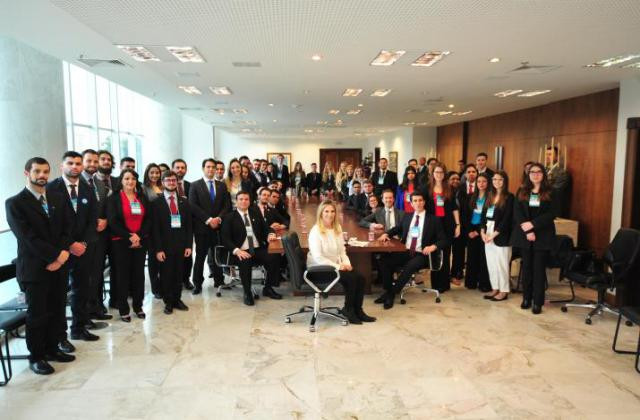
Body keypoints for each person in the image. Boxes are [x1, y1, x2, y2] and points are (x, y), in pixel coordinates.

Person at [6, 157, 75, 375]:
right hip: (35, 268)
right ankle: (36, 357)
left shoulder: (57, 197)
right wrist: (55, 256)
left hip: (60, 264)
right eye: (37, 171)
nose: (42, 175)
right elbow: (28, 238)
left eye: (45, 171)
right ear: (27, 173)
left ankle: (53, 348)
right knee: (37, 315)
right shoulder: (15, 203)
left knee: (56, 310)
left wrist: (62, 255)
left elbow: (68, 227)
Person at [46, 151, 99, 343]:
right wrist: (69, 244)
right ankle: (60, 337)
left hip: (83, 250)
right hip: (60, 251)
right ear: (62, 166)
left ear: (82, 167)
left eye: (78, 163)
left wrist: (83, 243)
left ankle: (79, 328)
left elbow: (92, 219)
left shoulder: (87, 188)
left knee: (81, 290)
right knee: (59, 295)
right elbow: (50, 224)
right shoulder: (51, 188)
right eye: (70, 163)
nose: (74, 166)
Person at [307, 200, 376, 323]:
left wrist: (347, 264)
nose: (330, 214)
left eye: (332, 211)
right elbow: (318, 258)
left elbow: (342, 251)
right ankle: (348, 310)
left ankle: (358, 310)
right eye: (326, 211)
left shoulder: (337, 228)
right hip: (320, 269)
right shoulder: (316, 231)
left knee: (360, 278)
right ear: (321, 213)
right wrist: (338, 266)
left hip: (335, 266)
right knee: (351, 279)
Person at [377, 192, 449, 309]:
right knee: (384, 260)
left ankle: (391, 294)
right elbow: (397, 229)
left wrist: (433, 247)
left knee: (410, 266)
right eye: (415, 201)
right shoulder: (407, 216)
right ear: (411, 203)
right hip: (406, 251)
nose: (418, 203)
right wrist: (386, 234)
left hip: (422, 254)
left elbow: (444, 240)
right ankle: (388, 290)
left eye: (420, 200)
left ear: (424, 202)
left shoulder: (434, 219)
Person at [221, 191, 282, 305]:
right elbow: (225, 239)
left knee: (274, 256)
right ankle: (247, 292)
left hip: (257, 249)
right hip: (240, 251)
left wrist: (270, 234)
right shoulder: (229, 217)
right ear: (236, 201)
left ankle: (268, 288)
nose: (244, 201)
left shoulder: (255, 213)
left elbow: (266, 228)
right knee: (245, 260)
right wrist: (237, 250)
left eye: (246, 199)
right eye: (241, 199)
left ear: (250, 201)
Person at [512, 163, 557, 315]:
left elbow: (552, 213)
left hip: (542, 236)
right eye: (532, 172)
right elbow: (517, 211)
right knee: (526, 269)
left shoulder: (551, 191)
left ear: (543, 174)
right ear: (528, 174)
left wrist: (533, 225)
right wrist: (527, 229)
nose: (535, 174)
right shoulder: (522, 190)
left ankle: (537, 302)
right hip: (525, 236)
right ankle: (526, 298)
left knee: (538, 270)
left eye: (539, 172)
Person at [106, 169, 151, 322]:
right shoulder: (113, 198)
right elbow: (112, 221)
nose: (130, 181)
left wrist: (139, 236)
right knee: (122, 276)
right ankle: (123, 309)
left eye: (132, 178)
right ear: (121, 181)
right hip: (120, 242)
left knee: (138, 275)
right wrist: (129, 236)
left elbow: (148, 220)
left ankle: (138, 307)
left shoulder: (142, 197)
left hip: (140, 241)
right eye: (126, 178)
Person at [152, 171, 193, 314]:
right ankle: (168, 301)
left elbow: (189, 225)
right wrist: (158, 249)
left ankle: (177, 299)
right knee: (166, 274)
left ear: (177, 182)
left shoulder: (184, 201)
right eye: (168, 180)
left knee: (179, 274)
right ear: (162, 182)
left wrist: (189, 245)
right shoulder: (156, 203)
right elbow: (155, 229)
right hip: (165, 245)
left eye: (173, 180)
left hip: (181, 245)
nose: (171, 183)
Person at [189, 158, 231, 294]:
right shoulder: (195, 185)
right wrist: (208, 220)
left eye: (213, 167)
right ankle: (197, 284)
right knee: (200, 257)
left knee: (218, 255)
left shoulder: (222, 185)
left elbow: (227, 205)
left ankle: (219, 281)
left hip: (218, 227)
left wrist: (218, 218)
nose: (211, 169)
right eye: (208, 167)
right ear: (203, 168)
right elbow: (193, 206)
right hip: (202, 228)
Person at [80, 149, 112, 321]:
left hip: (100, 237)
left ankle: (96, 306)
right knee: (85, 277)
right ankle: (85, 312)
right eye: (89, 161)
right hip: (83, 238)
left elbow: (104, 206)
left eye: (95, 161)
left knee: (97, 273)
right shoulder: (77, 183)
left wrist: (105, 219)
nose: (92, 164)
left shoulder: (99, 183)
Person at [426, 163, 461, 293]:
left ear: (444, 174)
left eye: (441, 172)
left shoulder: (450, 189)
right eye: (436, 172)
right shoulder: (426, 189)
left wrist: (458, 225)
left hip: (447, 225)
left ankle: (445, 284)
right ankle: (435, 284)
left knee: (446, 255)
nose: (439, 174)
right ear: (432, 174)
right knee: (435, 254)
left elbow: (454, 209)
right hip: (432, 226)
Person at [481, 171, 514, 302]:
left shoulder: (510, 197)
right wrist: (483, 232)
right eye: (494, 179)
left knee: (502, 264)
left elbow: (507, 219)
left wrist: (494, 234)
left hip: (501, 235)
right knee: (492, 264)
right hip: (487, 233)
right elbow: (484, 216)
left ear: (505, 181)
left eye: (500, 180)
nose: (497, 182)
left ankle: (504, 290)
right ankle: (495, 288)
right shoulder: (490, 195)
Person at [95, 150, 119, 310]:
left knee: (117, 267)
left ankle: (115, 299)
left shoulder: (118, 181)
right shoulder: (90, 183)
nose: (106, 162)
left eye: (109, 159)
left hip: (116, 231)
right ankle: (97, 303)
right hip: (98, 233)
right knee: (97, 269)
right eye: (102, 159)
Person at [462, 173, 492, 292]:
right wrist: (469, 231)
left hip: (485, 230)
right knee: (471, 257)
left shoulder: (491, 197)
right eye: (479, 181)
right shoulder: (470, 197)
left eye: (484, 181)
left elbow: (490, 216)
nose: (481, 184)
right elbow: (465, 215)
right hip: (471, 229)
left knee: (483, 257)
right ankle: (471, 282)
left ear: (488, 183)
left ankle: (484, 283)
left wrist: (481, 231)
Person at [171, 159, 194, 291]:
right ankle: (175, 280)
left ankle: (186, 279)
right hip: (170, 225)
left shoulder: (191, 186)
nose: (180, 170)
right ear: (172, 168)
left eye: (182, 168)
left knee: (188, 253)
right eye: (177, 167)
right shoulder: (166, 185)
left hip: (186, 223)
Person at [142, 163, 163, 299]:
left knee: (163, 257)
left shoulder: (162, 186)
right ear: (147, 173)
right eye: (152, 172)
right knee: (153, 259)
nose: (155, 175)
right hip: (150, 227)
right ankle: (155, 288)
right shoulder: (143, 188)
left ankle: (163, 284)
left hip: (164, 227)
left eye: (157, 172)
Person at [447, 171, 465, 286]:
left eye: (458, 179)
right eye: (453, 179)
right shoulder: (446, 192)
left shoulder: (463, 192)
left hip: (460, 225)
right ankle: (446, 274)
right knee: (447, 251)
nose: (456, 181)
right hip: (448, 225)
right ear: (448, 180)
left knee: (458, 252)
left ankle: (455, 274)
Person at [545, 146, 571, 217]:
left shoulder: (562, 172)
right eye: (546, 154)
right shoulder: (543, 170)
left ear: (557, 157)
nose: (547, 156)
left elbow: (555, 191)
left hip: (553, 208)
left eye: (550, 154)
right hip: (541, 207)